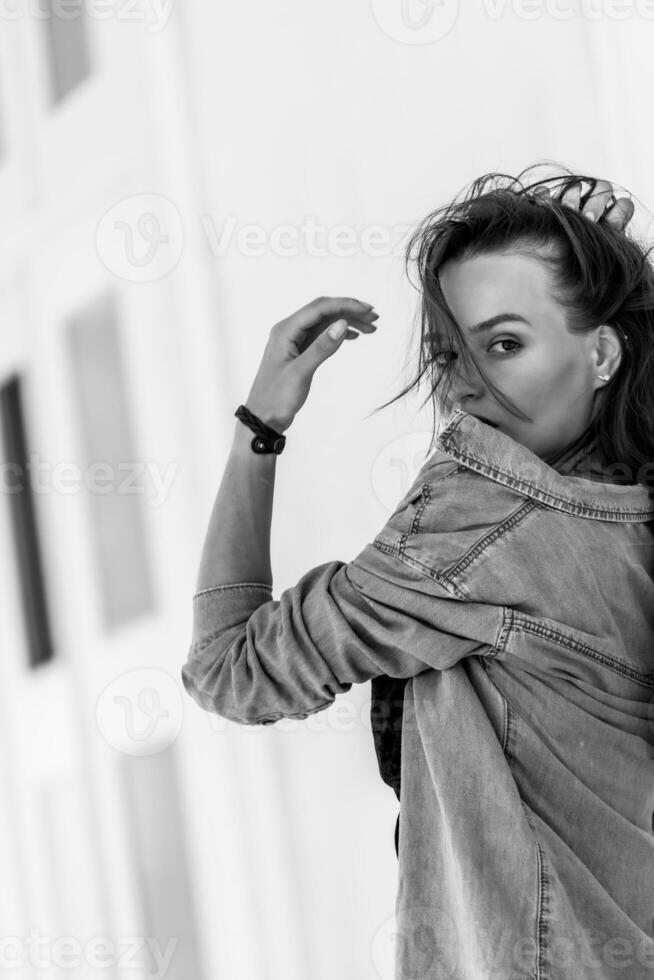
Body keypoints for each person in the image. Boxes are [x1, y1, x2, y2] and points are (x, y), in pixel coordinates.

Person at [181, 163, 654, 980]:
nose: (468, 388)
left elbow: (231, 671)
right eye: (449, 355)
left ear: (605, 351)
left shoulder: (483, 518)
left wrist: (258, 426)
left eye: (505, 344)